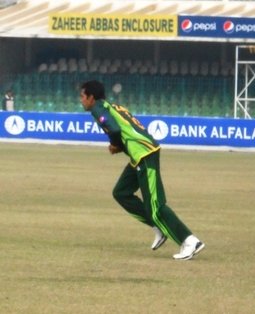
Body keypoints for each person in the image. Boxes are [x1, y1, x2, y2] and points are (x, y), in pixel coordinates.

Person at [79, 79, 204, 261]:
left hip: (145, 154)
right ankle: (159, 229)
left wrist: (114, 145)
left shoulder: (98, 109)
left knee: (155, 206)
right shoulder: (112, 106)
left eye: (82, 96)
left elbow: (114, 130)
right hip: (139, 155)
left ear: (91, 97)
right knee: (121, 192)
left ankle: (190, 241)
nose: (81, 100)